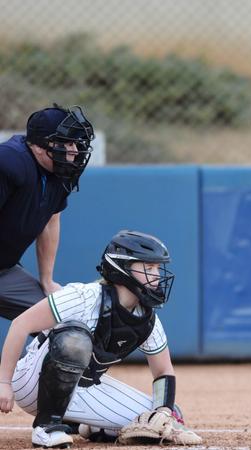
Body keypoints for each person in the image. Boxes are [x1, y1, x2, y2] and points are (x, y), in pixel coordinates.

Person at [0, 230, 202, 448]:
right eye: (149, 267)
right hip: (31, 383)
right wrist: (4, 383)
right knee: (74, 341)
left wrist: (163, 412)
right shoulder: (84, 296)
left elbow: (163, 371)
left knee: (161, 416)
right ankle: (46, 428)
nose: (157, 275)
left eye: (158, 268)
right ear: (122, 267)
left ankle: (93, 427)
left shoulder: (147, 319)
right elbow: (20, 324)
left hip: (82, 389)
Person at [0, 104, 94, 321]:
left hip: (4, 271)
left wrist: (47, 280)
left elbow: (51, 222)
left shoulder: (59, 171)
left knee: (65, 323)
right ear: (39, 146)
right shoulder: (10, 161)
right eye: (67, 142)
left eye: (76, 143)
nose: (75, 150)